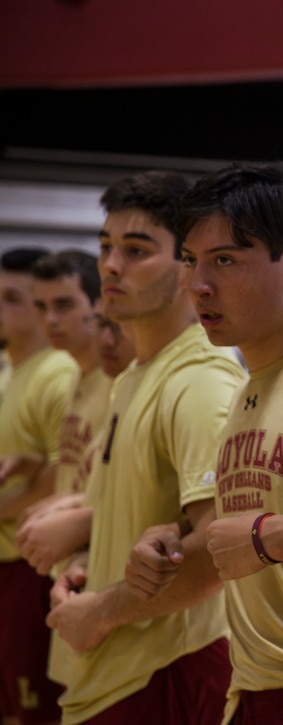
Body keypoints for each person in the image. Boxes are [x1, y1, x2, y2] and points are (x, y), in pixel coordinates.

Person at [125, 160, 283, 725]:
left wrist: (264, 537)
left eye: (225, 261)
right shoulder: (243, 391)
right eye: (191, 261)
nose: (198, 285)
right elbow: (257, 512)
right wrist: (176, 532)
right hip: (252, 688)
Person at [46, 170, 245, 724]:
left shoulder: (201, 380)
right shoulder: (136, 374)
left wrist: (101, 613)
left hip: (165, 670)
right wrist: (91, 562)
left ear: (189, 267)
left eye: (137, 251)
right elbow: (148, 517)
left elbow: (214, 555)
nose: (110, 266)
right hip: (115, 671)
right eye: (106, 246)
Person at [0, 247, 79, 725]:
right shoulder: (9, 371)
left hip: (32, 567)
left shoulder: (57, 372)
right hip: (7, 563)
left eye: (12, 298)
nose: (1, 308)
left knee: (35, 710)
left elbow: (63, 471)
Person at [15, 251, 111, 577]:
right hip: (67, 564)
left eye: (64, 305)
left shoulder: (116, 382)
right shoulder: (73, 376)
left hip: (103, 565)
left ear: (99, 304)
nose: (50, 320)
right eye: (42, 307)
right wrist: (33, 463)